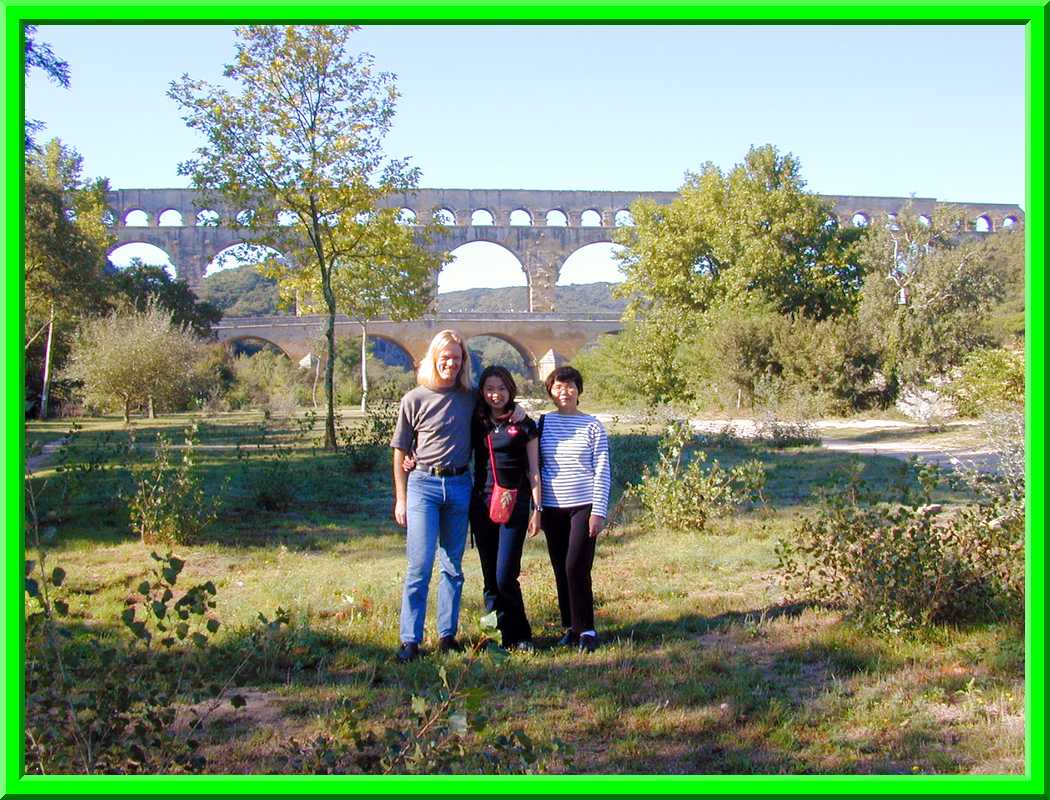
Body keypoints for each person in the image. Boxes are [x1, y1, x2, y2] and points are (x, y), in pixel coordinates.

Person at [390, 329, 475, 663]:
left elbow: (501, 405)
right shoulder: (414, 398)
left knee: (453, 566)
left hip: (459, 484)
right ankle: (410, 639)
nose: (451, 363)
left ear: (463, 360)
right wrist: (400, 497)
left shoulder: (470, 396)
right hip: (423, 484)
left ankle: (446, 635)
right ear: (434, 357)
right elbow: (400, 451)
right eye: (446, 356)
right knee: (420, 565)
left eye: (457, 357)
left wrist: (522, 417)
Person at [538, 365, 611, 653]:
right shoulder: (543, 423)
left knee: (576, 566)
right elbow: (535, 465)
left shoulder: (592, 425)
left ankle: (587, 629)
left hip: (583, 505)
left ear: (579, 391)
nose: (564, 391)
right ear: (550, 392)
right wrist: (536, 508)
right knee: (560, 568)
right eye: (558, 386)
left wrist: (599, 512)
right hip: (552, 508)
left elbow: (602, 470)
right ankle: (569, 627)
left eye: (570, 386)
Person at [468, 365, 542, 651]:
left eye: (501, 388)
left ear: (510, 389)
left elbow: (534, 471)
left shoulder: (525, 424)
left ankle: (521, 634)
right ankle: (493, 636)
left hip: (515, 503)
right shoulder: (477, 420)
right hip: (482, 505)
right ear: (482, 392)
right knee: (490, 579)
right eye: (489, 389)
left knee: (505, 575)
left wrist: (538, 509)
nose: (495, 394)